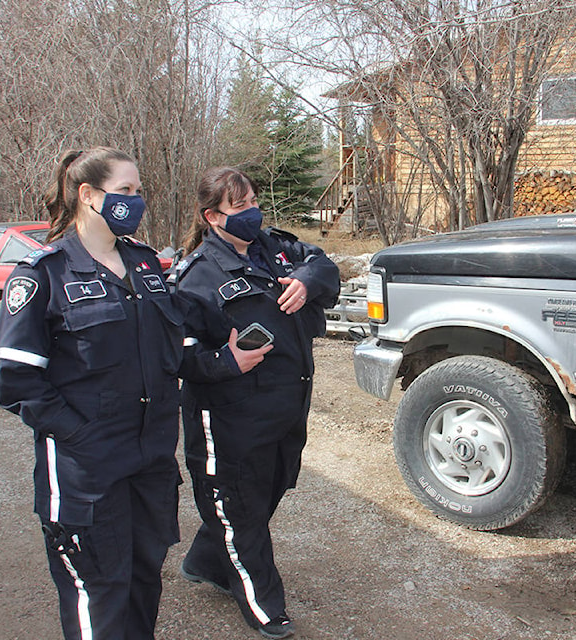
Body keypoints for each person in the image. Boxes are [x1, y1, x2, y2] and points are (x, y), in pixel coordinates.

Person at [0, 148, 242, 639]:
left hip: (148, 465)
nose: (136, 200)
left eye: (138, 191)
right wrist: (80, 434)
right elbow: (16, 381)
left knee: (143, 581)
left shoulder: (146, 266)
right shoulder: (44, 274)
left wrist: (226, 361)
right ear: (88, 195)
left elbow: (171, 354)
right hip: (87, 472)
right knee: (99, 594)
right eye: (124, 191)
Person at [173, 167, 340, 639]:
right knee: (240, 509)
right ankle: (264, 605)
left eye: (252, 201)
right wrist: (225, 361)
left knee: (268, 490)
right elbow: (175, 356)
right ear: (212, 216)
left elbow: (325, 265)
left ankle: (206, 560)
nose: (252, 212)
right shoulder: (195, 276)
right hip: (231, 417)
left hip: (287, 407)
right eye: (239, 206)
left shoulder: (277, 247)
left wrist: (307, 280)